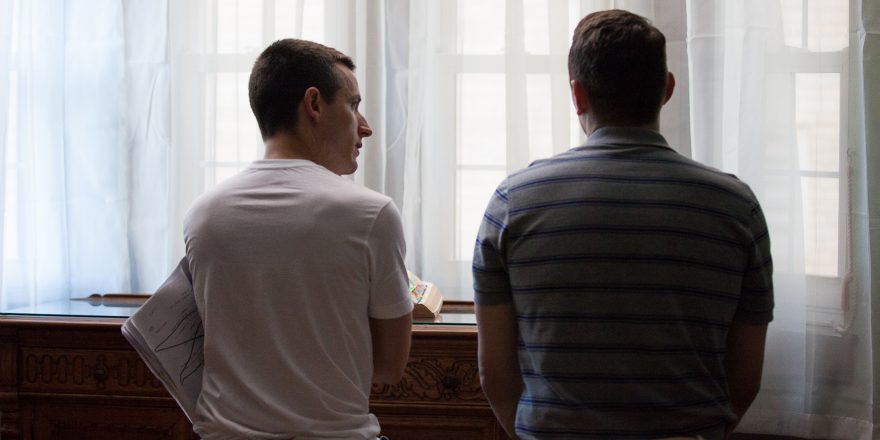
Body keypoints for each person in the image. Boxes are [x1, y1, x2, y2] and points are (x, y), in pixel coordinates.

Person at [473, 9, 773, 440]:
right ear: (667, 89)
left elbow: (494, 375)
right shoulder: (737, 207)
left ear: (577, 95)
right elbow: (745, 379)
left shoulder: (512, 204)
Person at [183, 39, 413, 439]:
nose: (366, 126)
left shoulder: (202, 215)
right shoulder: (371, 214)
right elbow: (389, 367)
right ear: (314, 104)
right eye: (354, 105)